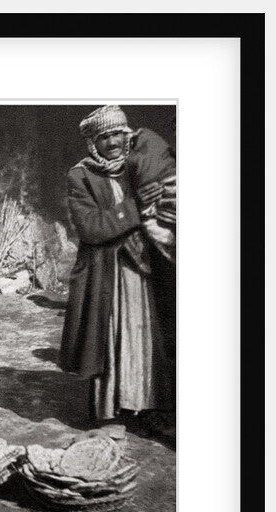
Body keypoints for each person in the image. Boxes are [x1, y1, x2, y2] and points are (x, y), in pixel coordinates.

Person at [58, 105, 175, 434]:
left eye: (116, 134)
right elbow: (91, 227)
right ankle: (109, 411)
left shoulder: (139, 165)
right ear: (93, 142)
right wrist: (136, 205)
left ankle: (150, 407)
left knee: (146, 337)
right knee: (109, 339)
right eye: (103, 137)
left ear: (126, 135)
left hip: (145, 270)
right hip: (106, 272)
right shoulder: (81, 176)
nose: (111, 142)